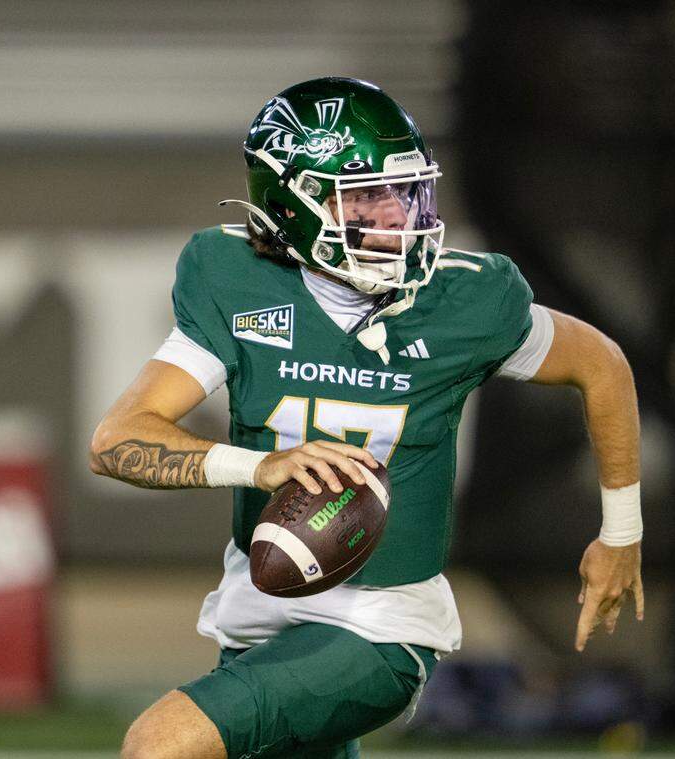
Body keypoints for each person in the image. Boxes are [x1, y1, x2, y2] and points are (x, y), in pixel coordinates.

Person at [90, 77, 644, 759]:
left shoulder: (461, 301)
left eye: (405, 190)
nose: (397, 216)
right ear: (292, 205)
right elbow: (118, 438)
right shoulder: (235, 282)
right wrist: (260, 465)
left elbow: (603, 365)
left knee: (159, 744)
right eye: (366, 197)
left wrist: (621, 533)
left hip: (380, 625)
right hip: (261, 612)